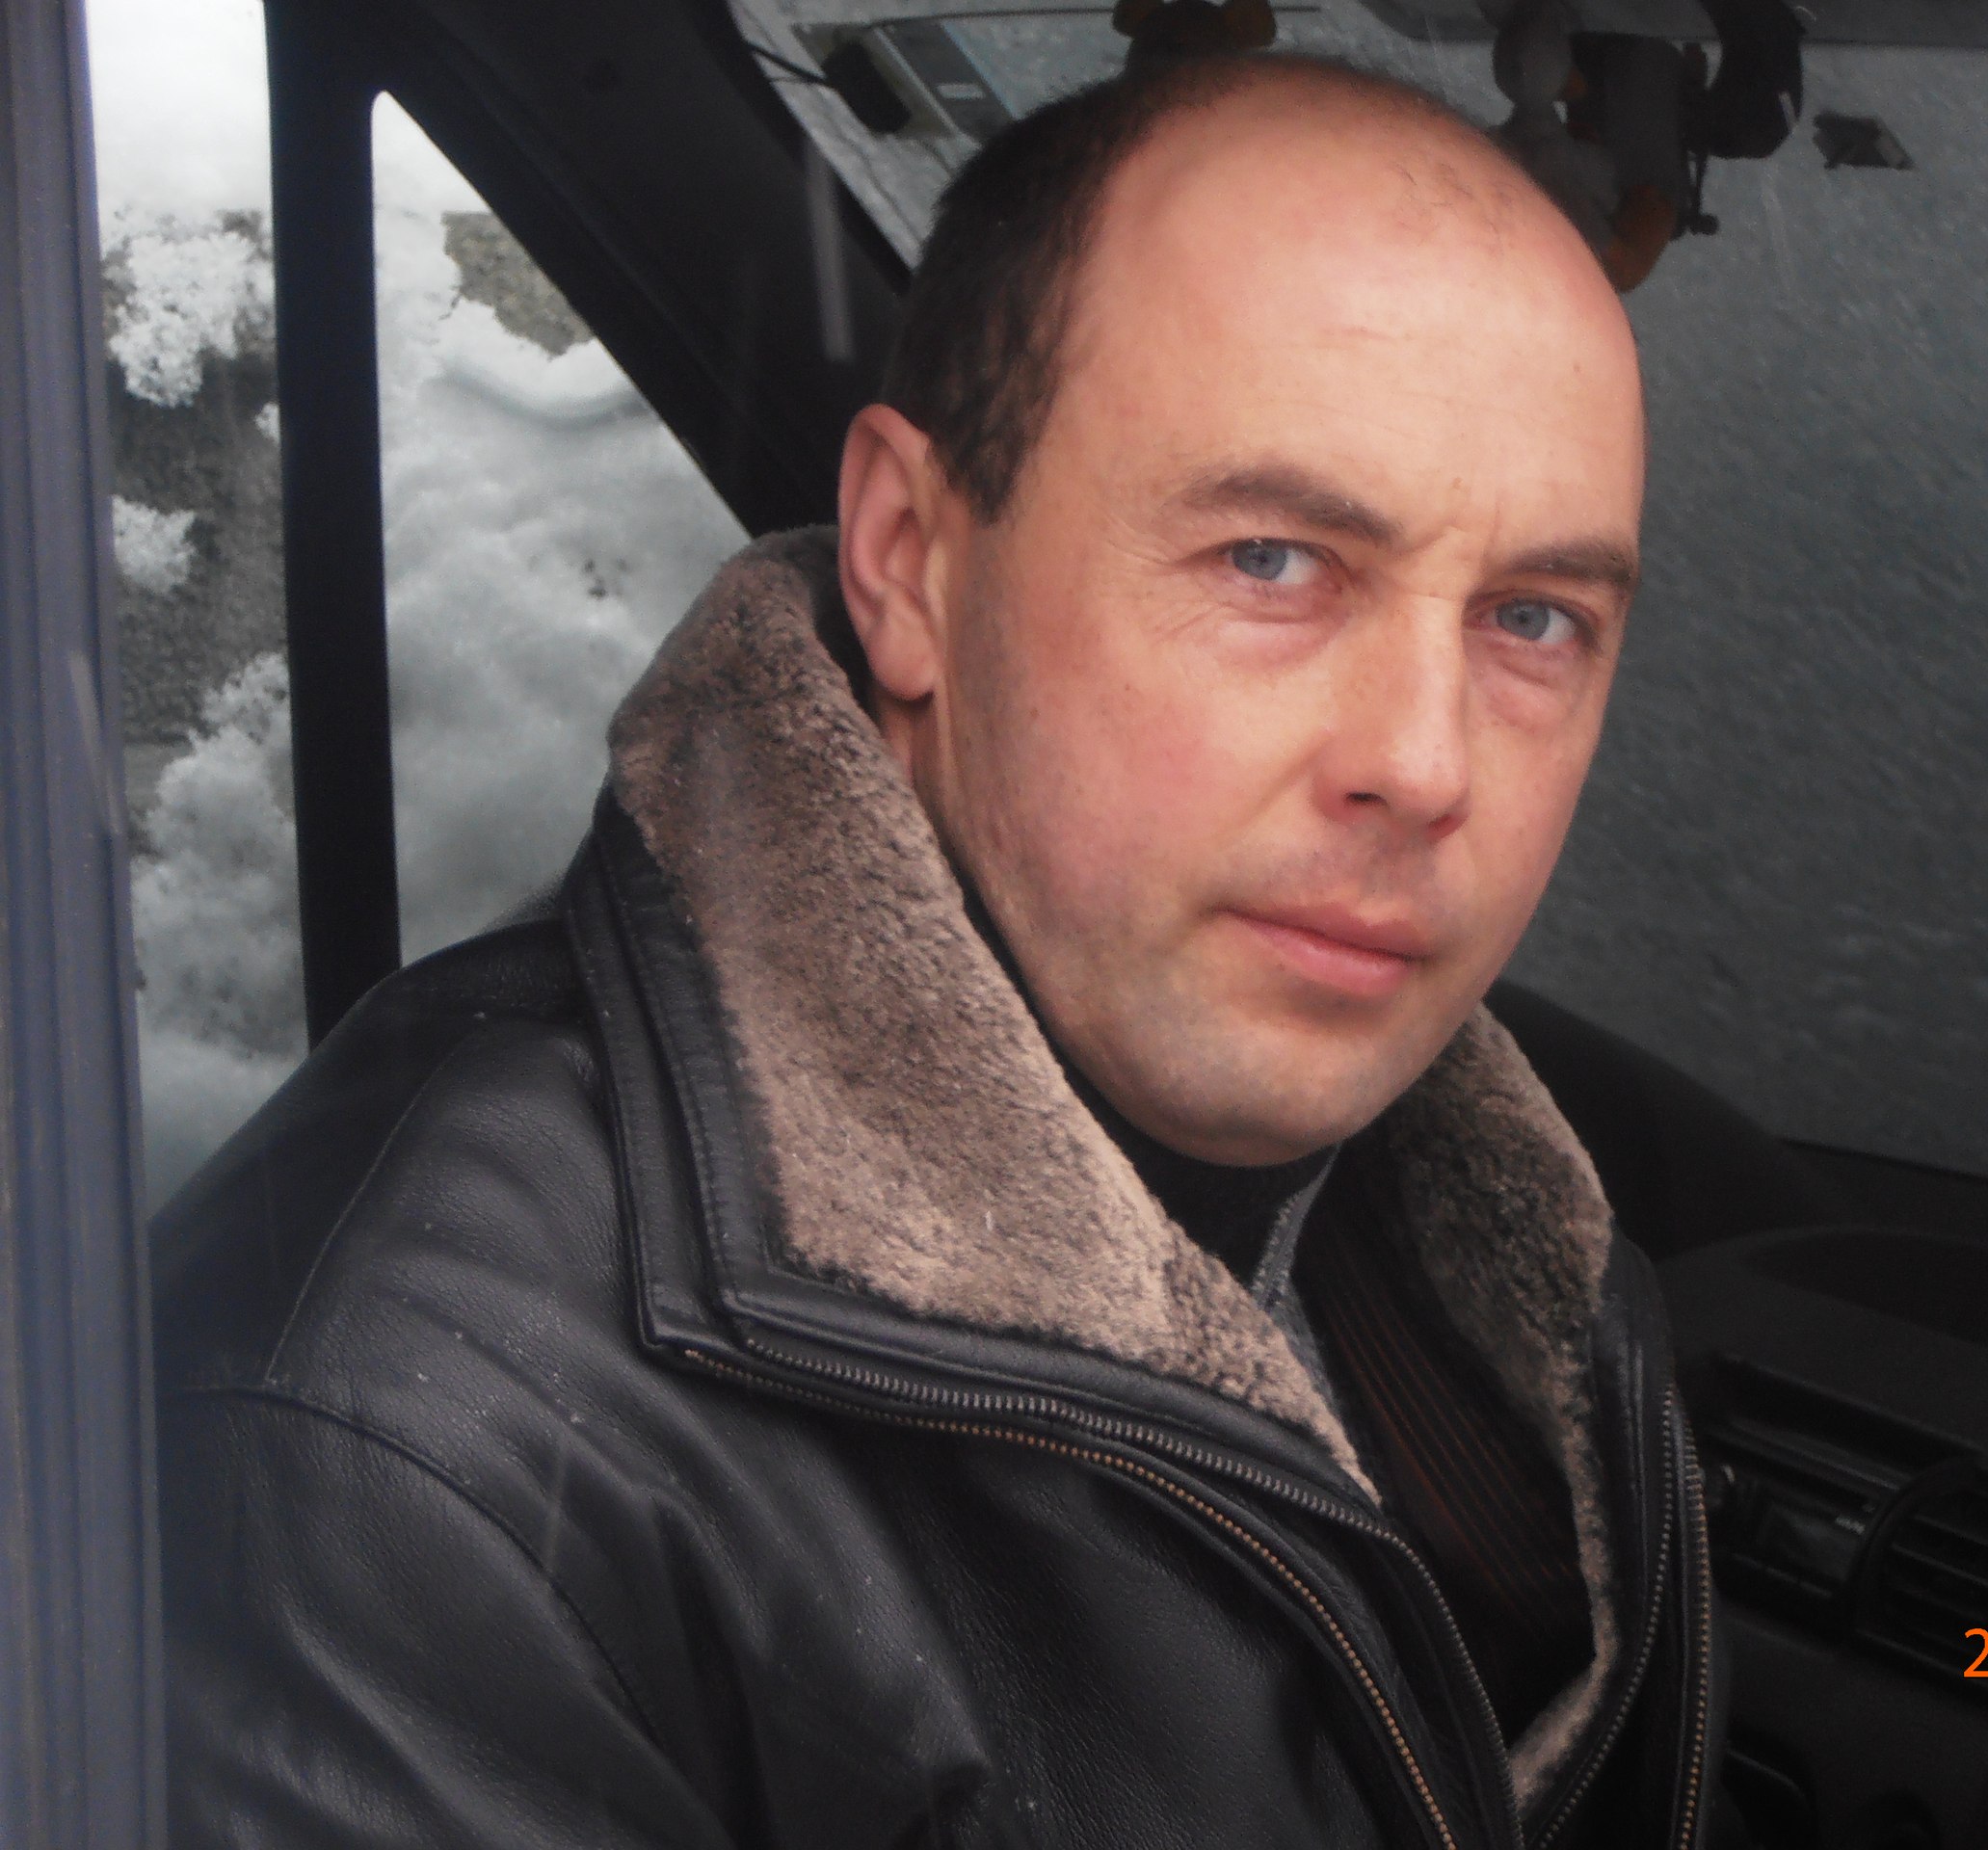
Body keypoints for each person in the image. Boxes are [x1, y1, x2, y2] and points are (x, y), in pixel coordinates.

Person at [157, 50, 1716, 1850]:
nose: (1427, 765)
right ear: (909, 560)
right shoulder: (390, 1451)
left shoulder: (1520, 1254)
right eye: (1273, 563)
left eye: (1534, 619)